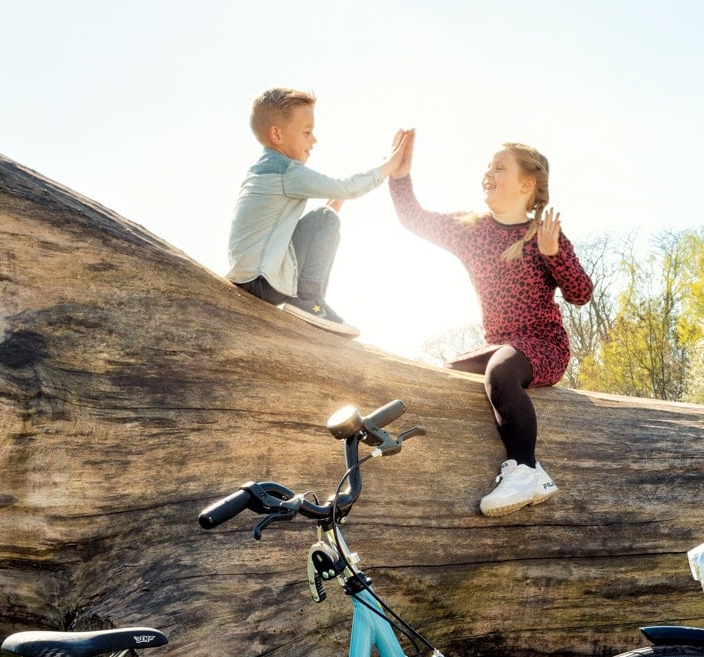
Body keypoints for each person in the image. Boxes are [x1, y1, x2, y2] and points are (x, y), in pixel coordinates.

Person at [390, 131, 593, 516]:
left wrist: (553, 255)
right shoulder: (472, 229)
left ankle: (527, 470)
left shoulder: (542, 235)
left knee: (501, 370)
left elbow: (581, 293)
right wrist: (400, 176)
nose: (488, 173)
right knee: (447, 374)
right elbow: (413, 218)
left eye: (499, 167)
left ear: (526, 183)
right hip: (497, 346)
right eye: (487, 166)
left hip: (543, 346)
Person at [227, 88, 406, 334]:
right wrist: (390, 165)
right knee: (325, 218)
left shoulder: (261, 172)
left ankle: (305, 300)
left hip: (247, 277)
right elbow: (347, 187)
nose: (314, 141)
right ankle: (308, 301)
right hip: (263, 281)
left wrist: (334, 205)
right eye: (307, 132)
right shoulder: (286, 171)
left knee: (325, 215)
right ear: (277, 134)